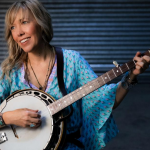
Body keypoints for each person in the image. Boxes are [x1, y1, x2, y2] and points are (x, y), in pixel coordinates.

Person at [0, 0, 149, 149]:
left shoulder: (72, 61)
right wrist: (7, 117)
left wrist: (131, 76)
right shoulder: (10, 70)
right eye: (12, 27)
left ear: (41, 23)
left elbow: (104, 101)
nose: (18, 32)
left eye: (24, 22)